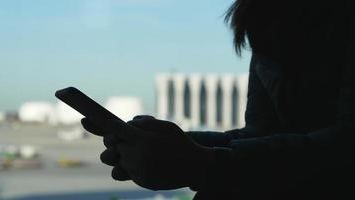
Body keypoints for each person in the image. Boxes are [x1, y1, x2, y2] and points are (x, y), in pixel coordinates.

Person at [81, 0, 354, 199]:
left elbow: (345, 146)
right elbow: (263, 133)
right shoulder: (262, 19)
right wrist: (175, 145)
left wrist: (203, 162)